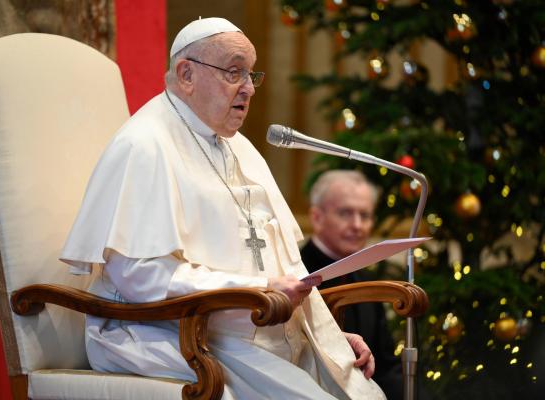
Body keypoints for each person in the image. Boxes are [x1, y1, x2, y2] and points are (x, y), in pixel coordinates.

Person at [60, 17, 385, 400]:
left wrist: (328, 338)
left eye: (251, 74)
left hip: (248, 325)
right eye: (234, 72)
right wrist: (257, 290)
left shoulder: (238, 147)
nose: (248, 88)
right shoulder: (144, 145)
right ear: (187, 74)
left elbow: (281, 264)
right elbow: (139, 276)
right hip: (160, 333)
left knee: (364, 392)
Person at [301, 170, 404, 400]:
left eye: (365, 215)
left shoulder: (367, 280)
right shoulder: (295, 275)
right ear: (317, 218)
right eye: (346, 213)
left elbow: (387, 366)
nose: (357, 225)